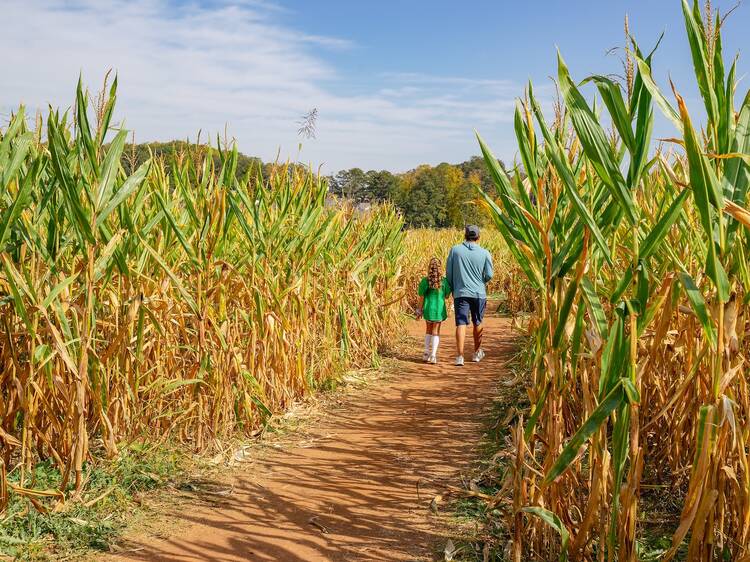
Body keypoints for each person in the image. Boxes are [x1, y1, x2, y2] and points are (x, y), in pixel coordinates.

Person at [446, 225, 493, 366]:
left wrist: (453, 288)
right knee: (477, 322)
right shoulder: (485, 253)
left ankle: (459, 356)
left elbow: (449, 273)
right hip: (479, 293)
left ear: (465, 235)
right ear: (478, 237)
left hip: (461, 292)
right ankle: (477, 353)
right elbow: (489, 274)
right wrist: (481, 281)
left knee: (461, 323)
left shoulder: (455, 251)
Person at [416, 257, 452, 364]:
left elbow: (421, 298)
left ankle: (425, 353)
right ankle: (433, 355)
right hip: (439, 310)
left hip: (428, 309)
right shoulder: (444, 282)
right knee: (436, 332)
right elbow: (446, 296)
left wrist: (419, 310)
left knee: (428, 330)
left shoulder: (425, 281)